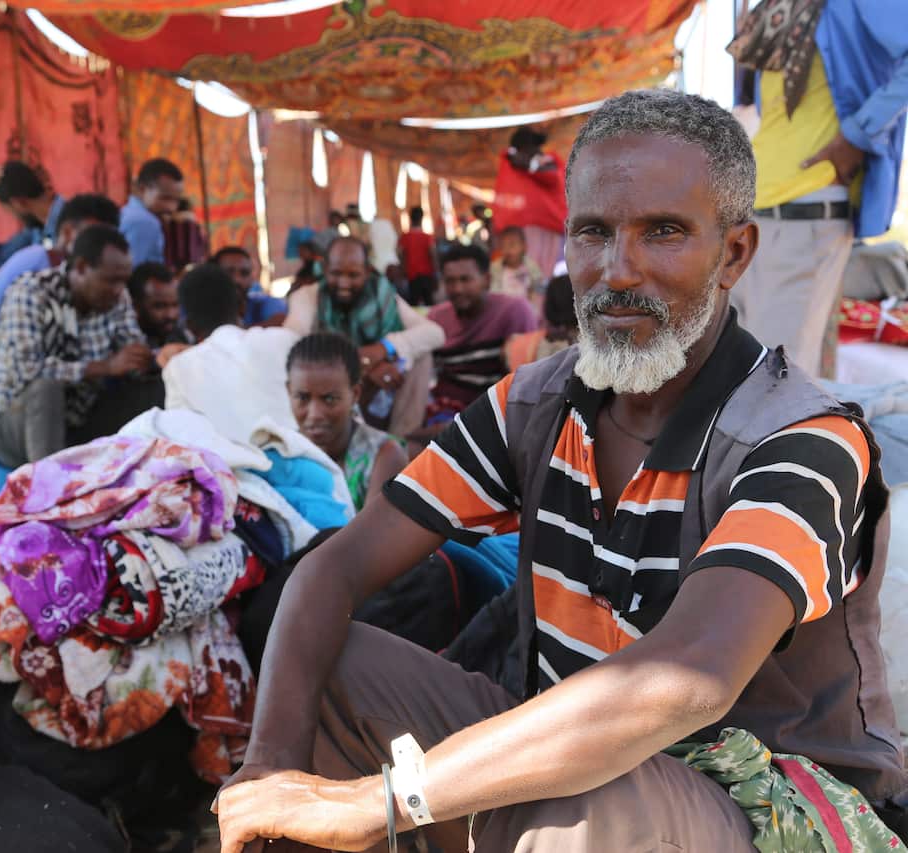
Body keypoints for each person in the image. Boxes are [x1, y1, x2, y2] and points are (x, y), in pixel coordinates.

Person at [215, 90, 906, 852]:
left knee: (583, 808)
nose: (619, 270)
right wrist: (270, 770)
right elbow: (333, 569)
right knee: (330, 661)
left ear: (734, 253)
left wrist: (380, 800)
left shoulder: (801, 439)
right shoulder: (534, 406)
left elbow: (689, 678)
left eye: (664, 232)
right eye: (593, 232)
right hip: (576, 764)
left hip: (767, 811)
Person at [728, 0, 908, 379]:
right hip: (752, 211)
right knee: (738, 373)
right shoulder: (777, 9)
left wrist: (856, 135)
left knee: (773, 382)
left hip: (806, 209)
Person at [0, 225, 152, 469]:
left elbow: (131, 350)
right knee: (46, 389)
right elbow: (26, 370)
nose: (118, 290)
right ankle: (48, 484)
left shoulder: (118, 297)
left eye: (123, 281)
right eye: (111, 281)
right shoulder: (31, 291)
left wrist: (150, 360)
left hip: (77, 421)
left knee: (149, 388)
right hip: (15, 427)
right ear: (81, 267)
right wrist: (105, 367)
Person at [0, 193, 119, 415]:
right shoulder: (42, 265)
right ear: (67, 233)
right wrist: (107, 366)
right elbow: (28, 367)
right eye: (95, 240)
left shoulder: (58, 268)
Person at [284, 236, 445, 438]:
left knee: (422, 357)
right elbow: (291, 344)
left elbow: (435, 333)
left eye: (353, 275)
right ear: (324, 269)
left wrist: (383, 348)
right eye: (336, 273)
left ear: (367, 272)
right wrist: (362, 364)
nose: (344, 283)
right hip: (332, 391)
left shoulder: (383, 294)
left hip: (381, 389)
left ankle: (400, 442)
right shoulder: (307, 297)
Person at [163, 263, 298, 444]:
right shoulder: (283, 339)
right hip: (299, 453)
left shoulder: (178, 368)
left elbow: (183, 441)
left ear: (189, 326)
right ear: (242, 307)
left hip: (230, 462)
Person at [286, 332, 407, 511]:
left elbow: (375, 530)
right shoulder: (281, 453)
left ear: (355, 394)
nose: (315, 414)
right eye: (302, 398)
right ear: (289, 391)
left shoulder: (383, 455)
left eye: (329, 399)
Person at [427, 242, 540, 417]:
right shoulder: (436, 318)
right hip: (445, 409)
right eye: (450, 281)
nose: (457, 289)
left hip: (495, 414)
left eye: (465, 280)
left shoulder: (514, 311)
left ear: (487, 280)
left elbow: (526, 382)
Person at [491, 126, 567, 278]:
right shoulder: (511, 164)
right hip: (519, 229)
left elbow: (553, 177)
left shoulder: (546, 161)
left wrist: (530, 165)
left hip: (546, 227)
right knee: (525, 274)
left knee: (542, 273)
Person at [0, 161, 63, 271]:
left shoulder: (70, 220)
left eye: (10, 211)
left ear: (18, 203)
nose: (14, 216)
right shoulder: (36, 229)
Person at [120, 159, 184, 266]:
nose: (171, 208)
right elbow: (134, 269)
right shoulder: (145, 222)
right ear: (141, 190)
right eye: (165, 198)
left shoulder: (128, 212)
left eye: (176, 200)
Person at [214, 245, 286, 328]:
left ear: (252, 278)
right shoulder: (206, 311)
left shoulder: (264, 304)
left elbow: (279, 320)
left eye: (245, 273)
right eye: (229, 272)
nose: (237, 280)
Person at [128, 261, 188, 351]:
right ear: (135, 306)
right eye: (160, 306)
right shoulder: (125, 346)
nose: (171, 315)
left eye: (175, 305)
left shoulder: (181, 337)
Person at [490, 225, 547, 304]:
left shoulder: (531, 267)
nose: (507, 250)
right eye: (503, 246)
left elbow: (541, 289)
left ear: (524, 246)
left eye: (512, 245)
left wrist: (533, 290)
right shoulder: (495, 269)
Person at [397, 206, 438, 307]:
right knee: (429, 303)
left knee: (413, 303)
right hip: (427, 274)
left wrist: (403, 271)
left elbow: (400, 255)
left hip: (412, 275)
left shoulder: (404, 237)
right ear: (421, 218)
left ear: (410, 218)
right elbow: (433, 255)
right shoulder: (428, 237)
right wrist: (436, 273)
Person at [164, 197, 208, 271]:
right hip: (195, 262)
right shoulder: (196, 224)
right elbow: (203, 242)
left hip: (173, 263)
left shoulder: (169, 224)